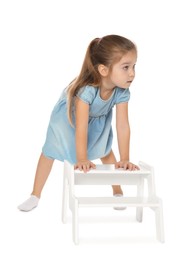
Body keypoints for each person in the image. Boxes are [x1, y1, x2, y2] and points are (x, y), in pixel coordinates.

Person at [18, 34, 140, 212]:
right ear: (104, 70)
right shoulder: (87, 91)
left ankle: (117, 191)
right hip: (69, 120)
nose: (132, 73)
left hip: (96, 121)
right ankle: (35, 195)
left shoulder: (122, 92)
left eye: (134, 66)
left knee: (105, 151)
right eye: (126, 67)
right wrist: (82, 159)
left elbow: (123, 126)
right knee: (50, 152)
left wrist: (125, 159)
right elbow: (81, 126)